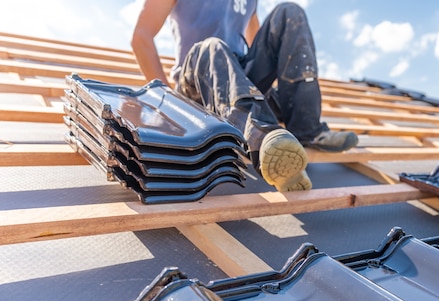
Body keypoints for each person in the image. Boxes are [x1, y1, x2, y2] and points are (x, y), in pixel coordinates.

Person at [131, 0, 358, 191]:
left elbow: (257, 45)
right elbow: (141, 37)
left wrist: (277, 94)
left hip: (235, 82)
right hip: (196, 87)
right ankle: (263, 138)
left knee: (289, 12)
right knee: (212, 46)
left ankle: (306, 129)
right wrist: (168, 101)